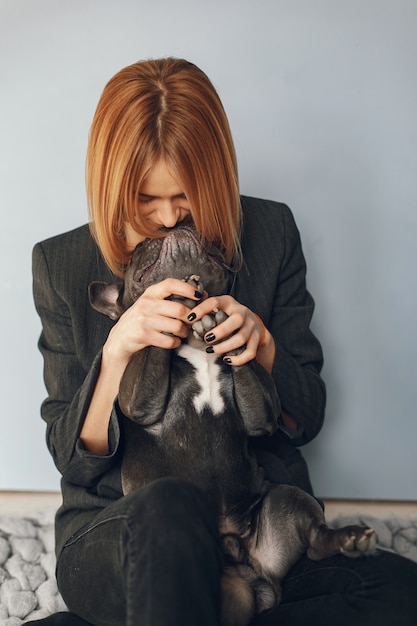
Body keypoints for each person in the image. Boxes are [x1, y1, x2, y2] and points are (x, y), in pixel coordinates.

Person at [30, 58, 417, 626]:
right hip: (126, 533)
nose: (168, 217)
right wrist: (116, 353)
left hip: (255, 529)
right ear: (111, 186)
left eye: (186, 196)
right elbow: (73, 461)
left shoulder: (270, 231)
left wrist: (264, 351)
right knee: (169, 509)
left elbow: (304, 421)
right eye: (145, 199)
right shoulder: (60, 264)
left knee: (398, 589)